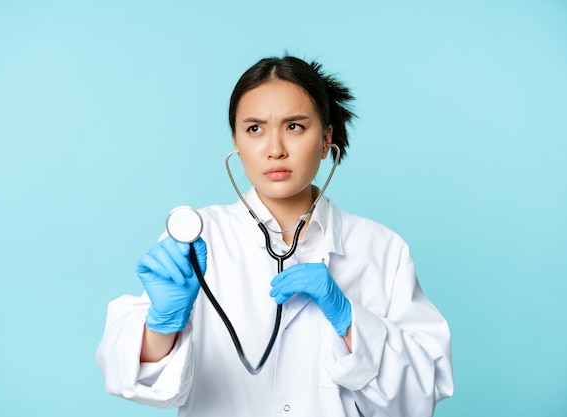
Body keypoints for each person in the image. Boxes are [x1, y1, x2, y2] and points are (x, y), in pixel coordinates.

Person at [96, 55, 453, 416]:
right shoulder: (197, 241)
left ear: (326, 137)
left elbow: (421, 394)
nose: (275, 148)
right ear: (236, 140)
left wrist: (350, 321)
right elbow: (126, 374)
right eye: (254, 129)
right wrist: (163, 324)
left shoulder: (382, 250)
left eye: (295, 126)